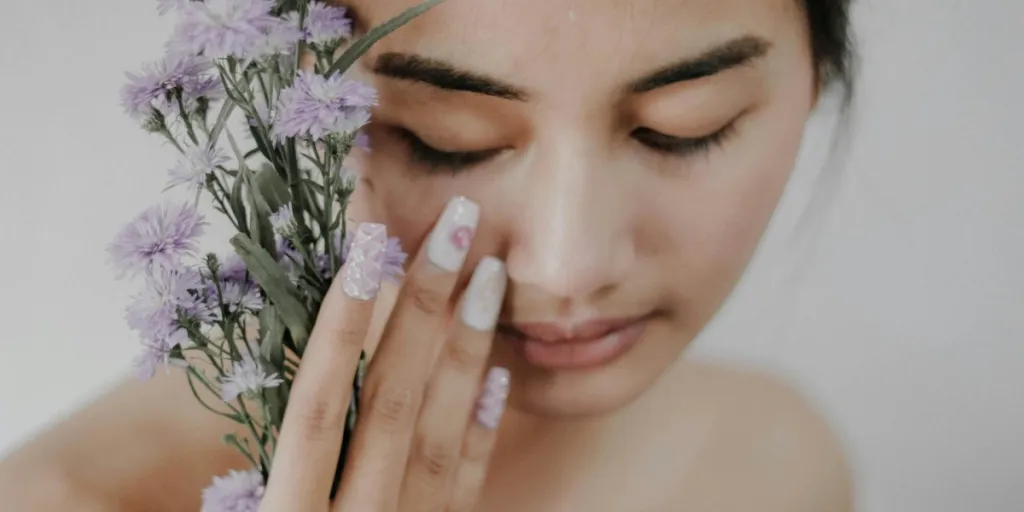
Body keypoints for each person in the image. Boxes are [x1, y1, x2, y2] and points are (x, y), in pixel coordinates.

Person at [0, 0, 856, 510]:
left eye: (684, 127)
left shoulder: (770, 459)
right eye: (450, 142)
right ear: (300, 102)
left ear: (818, 75)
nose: (567, 265)